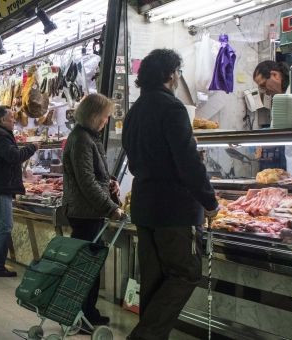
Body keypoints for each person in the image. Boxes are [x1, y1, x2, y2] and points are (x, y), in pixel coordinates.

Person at [122, 49, 219, 340]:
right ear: (170, 74)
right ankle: (144, 336)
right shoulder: (173, 108)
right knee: (186, 272)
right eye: (177, 72)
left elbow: (133, 158)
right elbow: (187, 162)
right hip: (175, 210)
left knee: (154, 278)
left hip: (144, 205)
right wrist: (210, 202)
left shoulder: (134, 111)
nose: (178, 77)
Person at [62, 93, 125, 326]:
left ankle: (86, 311)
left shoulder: (87, 137)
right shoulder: (81, 139)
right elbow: (86, 181)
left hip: (88, 210)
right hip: (85, 212)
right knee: (87, 266)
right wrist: (111, 208)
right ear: (94, 115)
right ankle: (84, 314)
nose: (107, 120)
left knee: (88, 264)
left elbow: (94, 175)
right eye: (105, 116)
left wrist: (109, 182)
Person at [0, 106, 38, 277]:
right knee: (4, 227)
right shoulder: (0, 136)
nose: (14, 120)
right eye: (11, 117)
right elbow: (14, 157)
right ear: (2, 120)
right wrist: (32, 148)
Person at [253, 60, 292, 175]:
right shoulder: (281, 98)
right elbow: (277, 134)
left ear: (275, 75)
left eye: (264, 85)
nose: (266, 92)